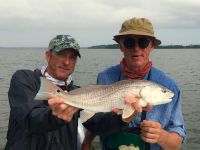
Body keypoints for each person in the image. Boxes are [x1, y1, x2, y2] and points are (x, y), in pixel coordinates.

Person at [82, 17, 186, 150]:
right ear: (121, 46)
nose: (136, 48)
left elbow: (176, 144)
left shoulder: (169, 86)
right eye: (129, 42)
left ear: (152, 46)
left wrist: (161, 136)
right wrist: (86, 142)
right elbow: (96, 114)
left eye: (143, 42)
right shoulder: (105, 76)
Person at [5, 34, 83, 150]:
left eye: (72, 57)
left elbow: (96, 123)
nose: (67, 62)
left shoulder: (77, 92)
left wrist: (119, 117)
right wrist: (53, 115)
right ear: (48, 56)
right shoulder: (24, 79)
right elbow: (30, 119)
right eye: (61, 54)